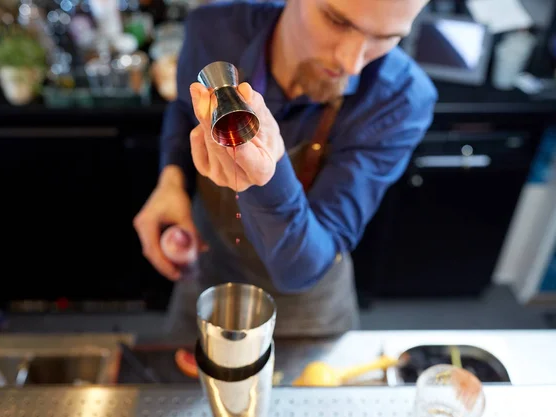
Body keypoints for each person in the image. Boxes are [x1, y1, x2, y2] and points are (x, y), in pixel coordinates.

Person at [134, 0, 437, 340]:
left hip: (303, 308)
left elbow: (299, 270)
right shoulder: (213, 30)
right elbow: (182, 109)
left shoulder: (400, 98)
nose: (351, 62)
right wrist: (171, 180)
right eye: (337, 20)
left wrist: (270, 174)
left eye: (386, 37)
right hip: (208, 271)